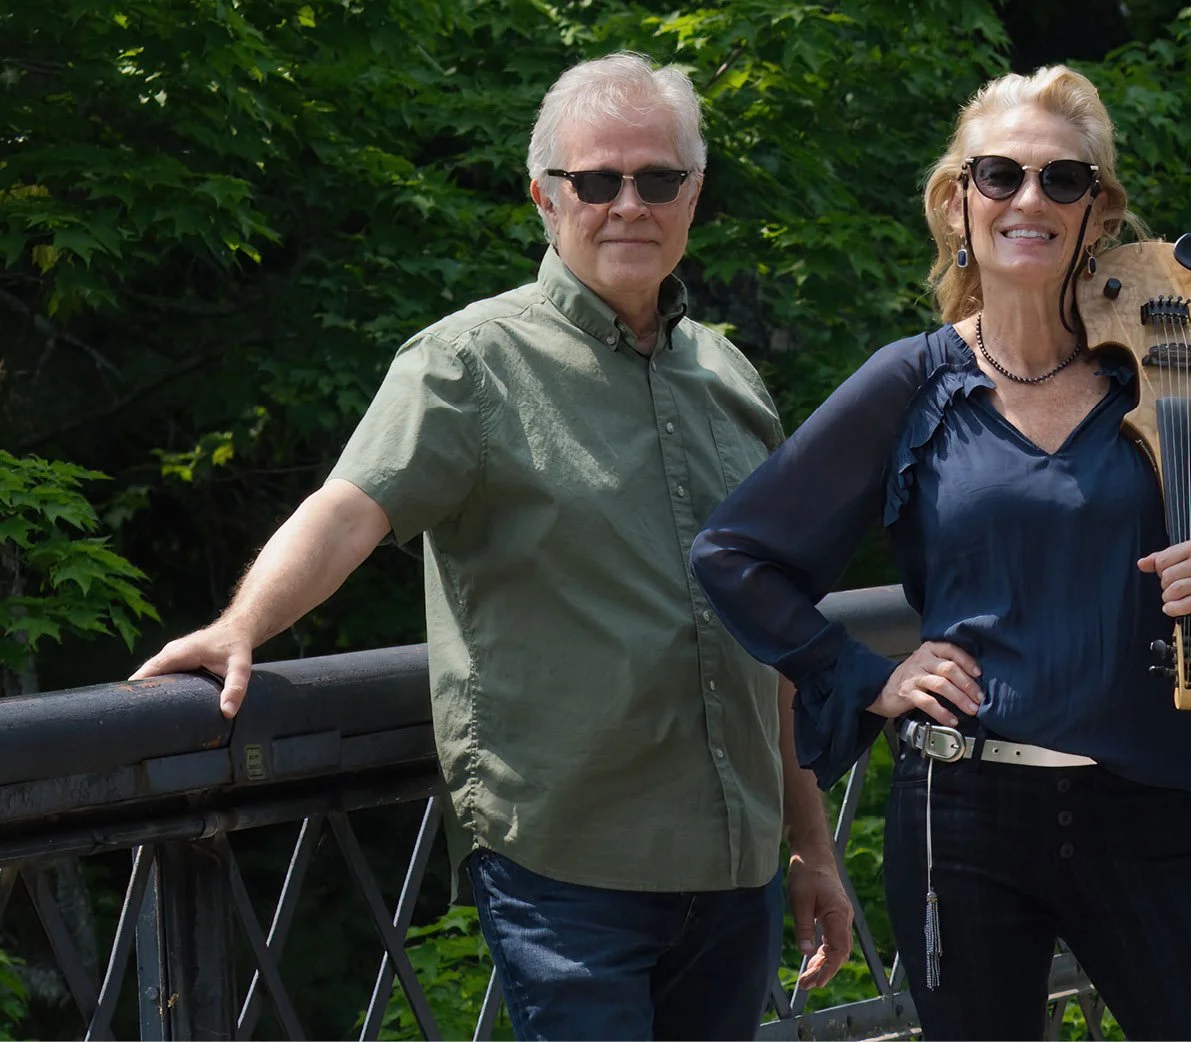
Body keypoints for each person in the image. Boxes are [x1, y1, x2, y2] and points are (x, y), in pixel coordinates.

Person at [131, 52, 852, 1041]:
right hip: (568, 873)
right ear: (544, 197)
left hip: (735, 873)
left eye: (657, 179)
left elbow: (769, 633)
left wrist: (812, 846)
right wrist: (241, 624)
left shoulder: (728, 377)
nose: (628, 205)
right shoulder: (470, 364)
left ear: (693, 194)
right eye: (595, 181)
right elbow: (350, 507)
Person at [689, 65, 1191, 1039]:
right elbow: (732, 553)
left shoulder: (1164, 371)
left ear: (1098, 214)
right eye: (1000, 174)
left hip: (1143, 804)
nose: (1029, 199)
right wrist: (868, 675)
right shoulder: (911, 382)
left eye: (1063, 179)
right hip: (960, 811)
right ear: (957, 202)